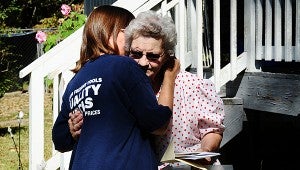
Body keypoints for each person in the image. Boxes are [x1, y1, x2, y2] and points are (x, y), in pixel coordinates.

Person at [70, 10, 225, 168]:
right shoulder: (125, 87)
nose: (143, 62)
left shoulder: (192, 85)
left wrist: (204, 149)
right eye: (136, 54)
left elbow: (212, 129)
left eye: (153, 56)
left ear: (167, 55)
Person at [52, 5, 178, 170]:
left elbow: (60, 140)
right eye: (127, 30)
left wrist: (71, 129)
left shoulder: (75, 81)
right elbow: (158, 124)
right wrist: (169, 76)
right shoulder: (124, 66)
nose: (132, 38)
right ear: (110, 32)